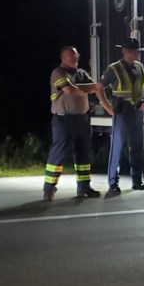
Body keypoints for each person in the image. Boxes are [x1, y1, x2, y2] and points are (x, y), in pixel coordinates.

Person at [95, 37, 144, 195]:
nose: (138, 54)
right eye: (136, 51)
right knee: (117, 147)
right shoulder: (114, 69)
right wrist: (107, 107)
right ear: (126, 52)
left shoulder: (140, 67)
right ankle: (113, 182)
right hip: (122, 112)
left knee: (137, 147)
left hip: (138, 110)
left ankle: (137, 180)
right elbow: (98, 87)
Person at [42, 46, 101, 201]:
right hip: (63, 119)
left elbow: (94, 87)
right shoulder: (58, 73)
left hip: (81, 118)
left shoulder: (81, 73)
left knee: (84, 155)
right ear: (63, 58)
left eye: (75, 56)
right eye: (70, 56)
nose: (74, 58)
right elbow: (70, 90)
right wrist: (88, 88)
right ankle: (49, 188)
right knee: (59, 153)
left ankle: (84, 187)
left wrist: (88, 88)